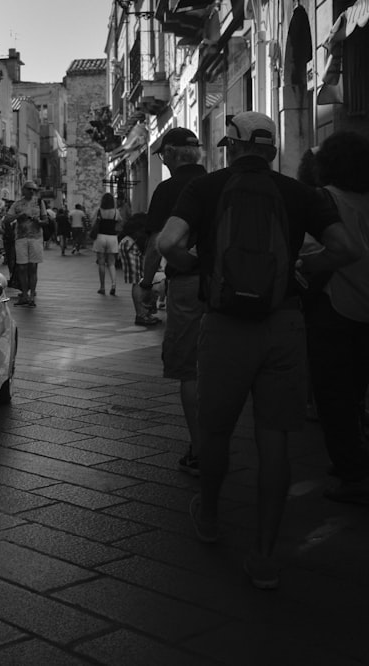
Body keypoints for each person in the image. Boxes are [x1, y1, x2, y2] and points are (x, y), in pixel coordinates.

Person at [157, 111, 360, 589]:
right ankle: (265, 556)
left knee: (216, 428)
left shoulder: (205, 188)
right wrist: (304, 272)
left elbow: (168, 241)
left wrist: (197, 264)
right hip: (283, 322)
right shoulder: (301, 193)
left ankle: (209, 516)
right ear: (271, 151)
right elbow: (347, 248)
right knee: (275, 439)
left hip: (225, 323)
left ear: (232, 146)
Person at [304, 131, 369, 505]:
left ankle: (352, 472)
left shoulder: (325, 199)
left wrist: (304, 266)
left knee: (334, 395)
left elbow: (315, 248)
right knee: (358, 389)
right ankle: (355, 455)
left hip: (337, 305)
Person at [144, 127, 208, 477]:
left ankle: (200, 448)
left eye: (162, 154)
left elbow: (158, 241)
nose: (162, 160)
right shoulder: (216, 183)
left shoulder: (169, 189)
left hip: (186, 284)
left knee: (190, 369)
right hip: (220, 284)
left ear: (170, 152)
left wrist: (144, 281)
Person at [1, 180, 45, 307]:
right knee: (22, 267)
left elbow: (46, 220)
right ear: (23, 190)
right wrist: (18, 216)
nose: (32, 191)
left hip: (36, 238)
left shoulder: (39, 203)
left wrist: (38, 221)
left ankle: (32, 296)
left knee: (33, 267)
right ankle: (24, 294)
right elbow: (7, 219)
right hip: (20, 238)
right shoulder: (17, 204)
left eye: (34, 189)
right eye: (29, 189)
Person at [117, 213, 160, 326]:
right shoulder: (149, 223)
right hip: (131, 245)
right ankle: (141, 314)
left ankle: (144, 313)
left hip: (128, 243)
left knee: (139, 279)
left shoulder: (144, 219)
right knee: (137, 281)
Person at [92, 193, 121, 295]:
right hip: (112, 237)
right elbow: (119, 223)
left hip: (101, 237)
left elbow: (93, 222)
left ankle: (102, 287)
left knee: (101, 263)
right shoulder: (116, 212)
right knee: (111, 263)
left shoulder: (98, 211)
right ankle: (113, 285)